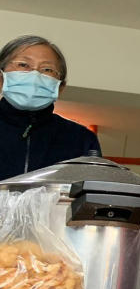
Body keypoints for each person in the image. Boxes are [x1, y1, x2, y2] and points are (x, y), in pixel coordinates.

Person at [0, 35, 101, 180]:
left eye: (47, 69)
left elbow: (91, 196)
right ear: (1, 78)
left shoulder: (81, 139)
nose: (35, 75)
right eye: (23, 65)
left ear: (60, 87)